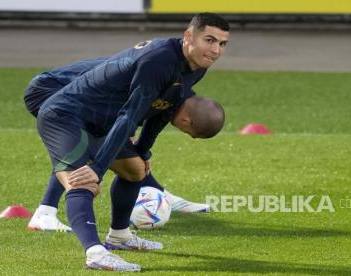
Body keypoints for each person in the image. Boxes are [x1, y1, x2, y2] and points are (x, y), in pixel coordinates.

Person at [34, 13, 229, 272]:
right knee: (83, 182)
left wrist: (143, 150)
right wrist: (98, 168)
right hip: (67, 116)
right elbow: (129, 115)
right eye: (210, 40)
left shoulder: (197, 65)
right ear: (189, 36)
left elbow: (165, 108)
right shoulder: (159, 60)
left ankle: (119, 236)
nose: (216, 50)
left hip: (101, 123)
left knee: (136, 169)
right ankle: (95, 253)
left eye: (222, 44)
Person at [24, 59, 211, 235]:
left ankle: (156, 194)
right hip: (49, 90)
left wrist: (142, 150)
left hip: (77, 100)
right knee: (83, 148)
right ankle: (46, 213)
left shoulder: (170, 87)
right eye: (189, 132)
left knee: (124, 155)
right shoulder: (159, 80)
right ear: (187, 119)